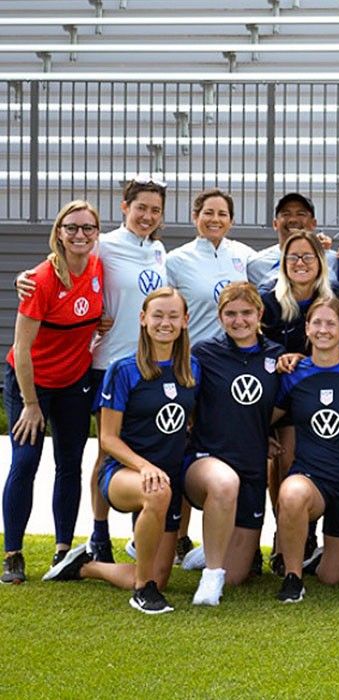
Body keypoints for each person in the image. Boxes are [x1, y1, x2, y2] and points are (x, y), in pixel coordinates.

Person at [17, 177, 170, 564]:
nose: (147, 216)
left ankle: (141, 537)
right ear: (125, 207)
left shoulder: (158, 250)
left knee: (142, 450)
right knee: (107, 450)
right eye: (141, 208)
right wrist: (25, 278)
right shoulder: (104, 244)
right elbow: (63, 255)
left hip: (146, 367)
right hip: (106, 367)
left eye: (155, 210)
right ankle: (99, 535)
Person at [43, 288, 200, 615]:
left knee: (161, 574)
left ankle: (86, 567)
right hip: (123, 474)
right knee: (158, 491)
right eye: (157, 315)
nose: (165, 323)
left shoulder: (192, 370)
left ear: (185, 321)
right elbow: (109, 440)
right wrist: (144, 467)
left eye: (173, 316)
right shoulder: (123, 370)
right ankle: (143, 592)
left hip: (166, 478)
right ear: (143, 319)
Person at [2, 201, 103, 584]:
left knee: (69, 463)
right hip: (32, 384)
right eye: (72, 228)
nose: (80, 235)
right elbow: (22, 349)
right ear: (58, 232)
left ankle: (63, 551)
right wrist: (30, 404)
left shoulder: (97, 266)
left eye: (88, 228)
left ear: (97, 232)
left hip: (73, 383)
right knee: (25, 462)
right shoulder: (41, 280)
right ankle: (13, 554)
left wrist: (101, 322)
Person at [178, 282, 284, 604]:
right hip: (207, 460)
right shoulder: (203, 353)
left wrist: (260, 430)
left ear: (260, 314)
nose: (239, 321)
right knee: (224, 483)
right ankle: (211, 577)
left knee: (237, 577)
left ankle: (208, 552)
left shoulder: (277, 356)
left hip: (251, 465)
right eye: (231, 314)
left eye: (246, 313)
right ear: (220, 316)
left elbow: (278, 406)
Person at [272, 297, 339, 603]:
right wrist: (264, 437)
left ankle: (319, 555)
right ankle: (293, 576)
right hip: (310, 478)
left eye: (331, 323)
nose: (324, 329)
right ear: (306, 329)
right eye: (317, 323)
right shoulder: (293, 373)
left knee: (334, 578)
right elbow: (266, 416)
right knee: (291, 494)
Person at [165, 189, 256, 343]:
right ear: (195, 216)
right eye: (208, 213)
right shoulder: (176, 260)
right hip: (193, 355)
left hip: (234, 356)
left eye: (222, 214)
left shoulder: (245, 254)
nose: (215, 219)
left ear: (231, 221)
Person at [259, 231, 339, 354]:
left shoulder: (337, 295)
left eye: (308, 257)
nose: (300, 263)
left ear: (320, 261)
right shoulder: (268, 302)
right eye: (292, 257)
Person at [245, 193, 336, 287]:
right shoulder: (257, 265)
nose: (293, 220)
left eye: (301, 214)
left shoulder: (333, 260)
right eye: (286, 214)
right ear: (275, 224)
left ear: (314, 223)